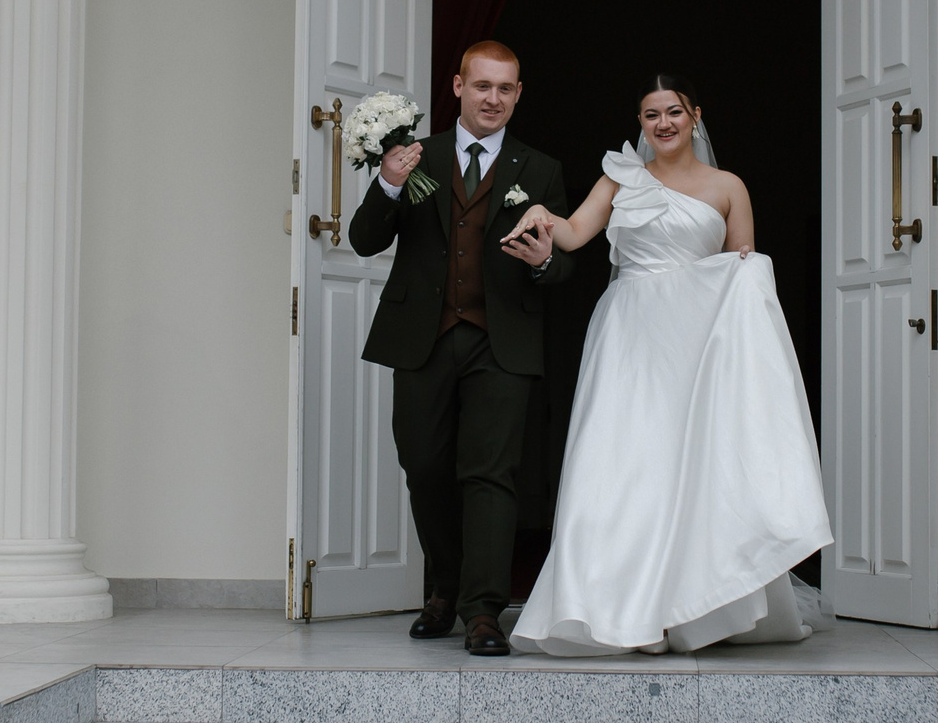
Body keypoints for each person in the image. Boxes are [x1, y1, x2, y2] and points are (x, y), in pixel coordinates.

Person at [503, 74, 834, 653]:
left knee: (696, 464)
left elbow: (744, 273)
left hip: (700, 342)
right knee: (620, 461)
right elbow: (575, 233)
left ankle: (698, 607)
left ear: (695, 116)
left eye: (674, 112)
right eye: (652, 114)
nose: (663, 123)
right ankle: (612, 610)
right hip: (630, 334)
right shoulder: (620, 176)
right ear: (640, 121)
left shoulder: (728, 186)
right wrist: (541, 217)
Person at [348, 41, 575, 656]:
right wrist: (388, 184)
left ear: (518, 94)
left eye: (504, 88)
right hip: (422, 337)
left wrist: (543, 260)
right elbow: (364, 241)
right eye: (482, 86)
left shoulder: (540, 168)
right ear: (457, 87)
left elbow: (563, 268)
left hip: (502, 343)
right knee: (423, 465)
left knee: (490, 475)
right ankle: (443, 589)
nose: (492, 99)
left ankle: (482, 611)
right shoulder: (416, 156)